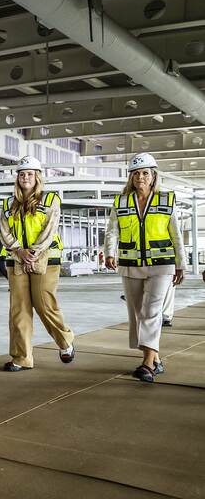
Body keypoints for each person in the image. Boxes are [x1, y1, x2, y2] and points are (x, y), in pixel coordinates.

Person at [103, 152, 184, 383]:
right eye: (136, 173)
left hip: (162, 265)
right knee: (137, 314)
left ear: (153, 176)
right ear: (131, 177)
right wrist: (110, 252)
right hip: (130, 265)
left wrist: (181, 264)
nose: (140, 177)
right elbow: (112, 230)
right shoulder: (121, 202)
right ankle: (155, 358)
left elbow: (176, 235)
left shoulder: (166, 200)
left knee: (151, 311)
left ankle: (147, 364)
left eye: (145, 173)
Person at [0, 155, 75, 372]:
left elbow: (50, 229)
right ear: (17, 178)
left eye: (30, 174)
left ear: (37, 177)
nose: (25, 177)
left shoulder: (51, 200)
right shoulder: (7, 204)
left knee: (44, 304)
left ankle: (65, 341)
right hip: (16, 259)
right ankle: (21, 357)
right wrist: (18, 250)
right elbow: (4, 231)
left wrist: (33, 252)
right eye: (22, 174)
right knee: (19, 309)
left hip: (45, 258)